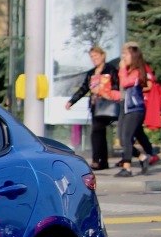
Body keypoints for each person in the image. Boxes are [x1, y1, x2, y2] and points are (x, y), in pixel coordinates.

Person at [64, 46, 120, 170]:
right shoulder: (91, 73)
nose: (94, 59)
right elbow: (84, 89)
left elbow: (116, 86)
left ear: (103, 56)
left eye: (96, 56)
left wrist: (104, 90)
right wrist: (71, 101)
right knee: (99, 132)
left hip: (107, 104)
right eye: (92, 57)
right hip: (95, 106)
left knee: (96, 132)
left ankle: (96, 161)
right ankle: (103, 161)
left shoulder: (111, 70)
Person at [115, 42, 152, 177]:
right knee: (122, 137)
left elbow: (125, 82)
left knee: (127, 137)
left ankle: (127, 167)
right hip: (126, 107)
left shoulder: (137, 71)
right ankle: (142, 157)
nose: (123, 57)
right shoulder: (129, 70)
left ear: (134, 56)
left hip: (134, 108)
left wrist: (122, 69)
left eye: (126, 54)